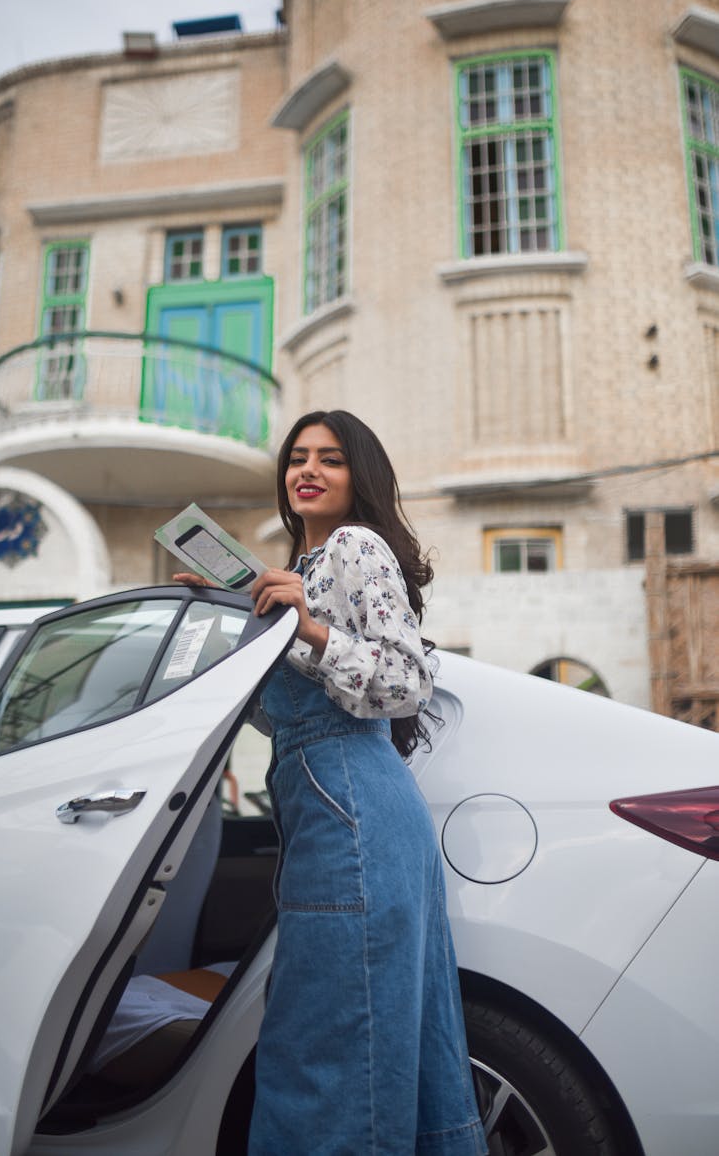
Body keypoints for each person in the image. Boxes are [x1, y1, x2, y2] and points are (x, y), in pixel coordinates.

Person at [179, 410, 486, 1156]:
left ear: (360, 478)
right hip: (340, 806)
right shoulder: (301, 572)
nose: (307, 469)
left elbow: (405, 682)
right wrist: (235, 618)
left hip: (351, 807)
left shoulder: (353, 546)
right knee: (383, 1036)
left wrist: (310, 630)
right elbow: (286, 714)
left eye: (331, 459)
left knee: (327, 1038)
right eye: (297, 458)